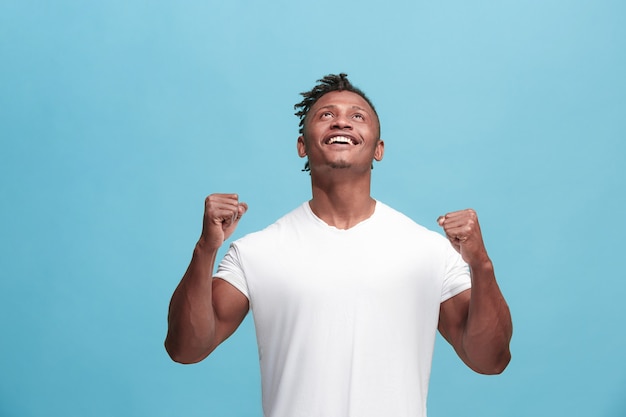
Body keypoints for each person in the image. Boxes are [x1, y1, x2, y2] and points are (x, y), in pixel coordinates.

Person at [165, 73, 512, 417]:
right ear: (302, 145)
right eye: (326, 115)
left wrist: (480, 264)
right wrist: (205, 250)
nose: (341, 122)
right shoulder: (257, 252)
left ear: (378, 149)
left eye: (356, 116)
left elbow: (490, 360)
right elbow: (186, 349)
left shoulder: (428, 251)